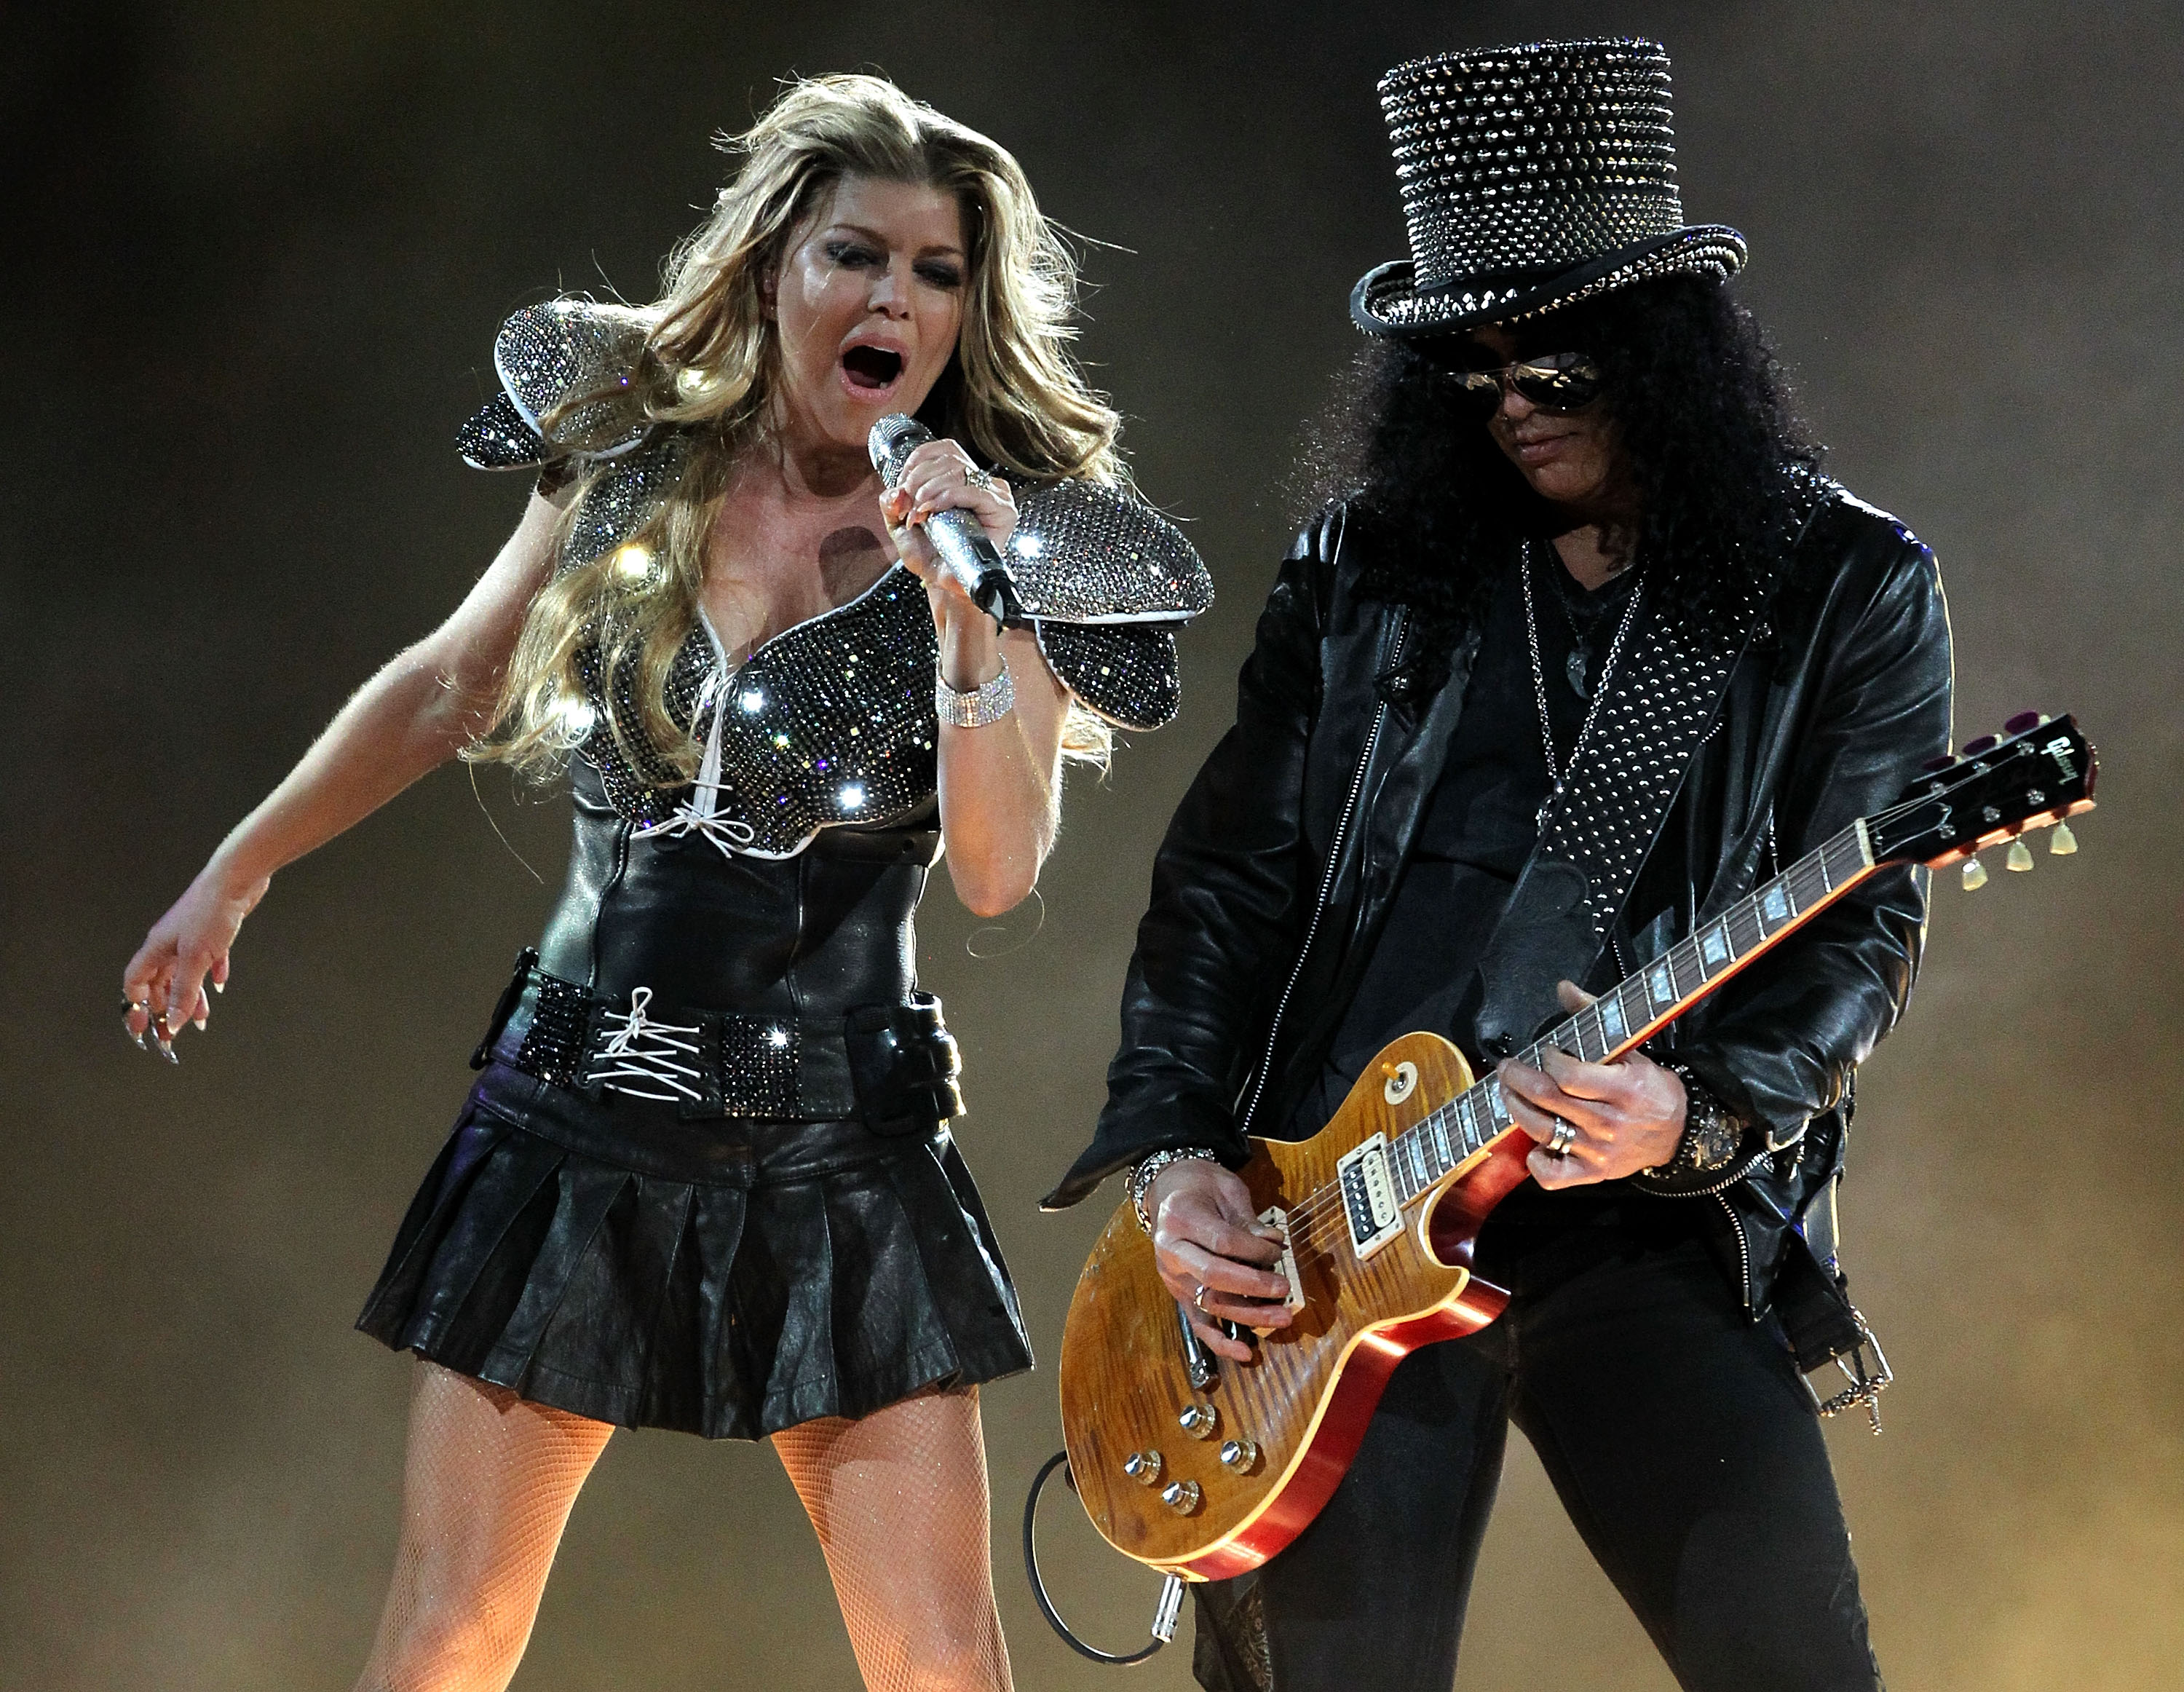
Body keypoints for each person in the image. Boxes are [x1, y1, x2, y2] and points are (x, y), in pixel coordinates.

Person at [122, 73, 1208, 1692]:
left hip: (838, 1142)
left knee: (939, 1660)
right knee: (449, 1632)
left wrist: (976, 625)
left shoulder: (1009, 546)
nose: (894, 301)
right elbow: (450, 683)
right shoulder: (629, 449)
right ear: (773, 265)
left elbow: (997, 875)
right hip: (577, 1116)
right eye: (855, 255)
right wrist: (238, 870)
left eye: (935, 272)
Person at [1042, 39, 1950, 1692]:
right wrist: (1173, 1153)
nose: (1515, 407)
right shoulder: (1369, 563)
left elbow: (1862, 932)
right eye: (1472, 374)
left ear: (1671, 352)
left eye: (1559, 366)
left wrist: (1700, 1110)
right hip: (1335, 1221)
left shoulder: (1841, 583)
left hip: (1635, 1211)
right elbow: (1228, 878)